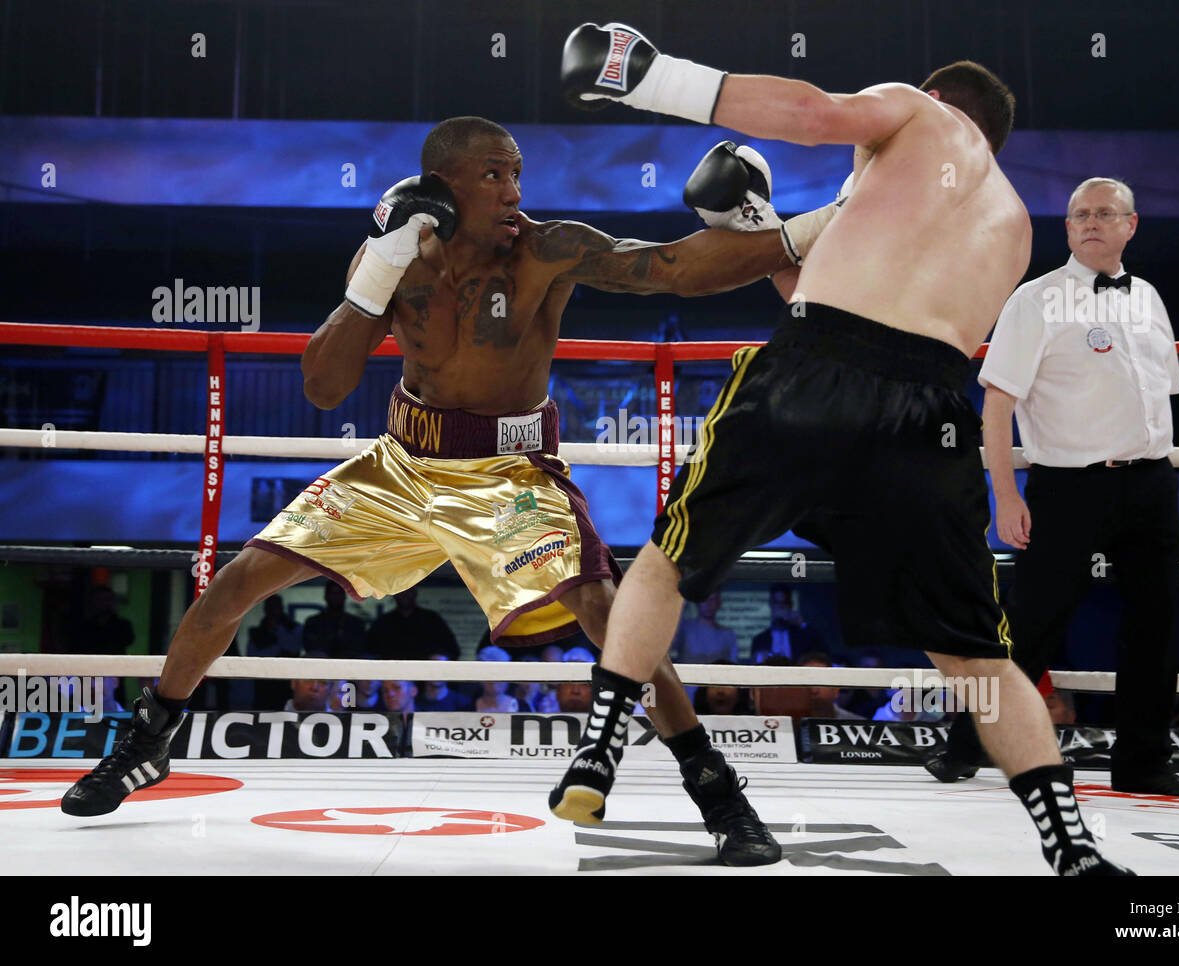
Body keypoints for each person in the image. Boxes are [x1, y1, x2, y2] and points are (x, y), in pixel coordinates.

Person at [63, 114, 842, 864]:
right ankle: (149, 741)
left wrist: (813, 225)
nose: (512, 191)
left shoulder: (548, 248)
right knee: (234, 581)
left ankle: (719, 793)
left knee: (607, 615)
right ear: (444, 184)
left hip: (511, 475)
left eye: (517, 174)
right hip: (402, 464)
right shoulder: (402, 256)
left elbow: (674, 267)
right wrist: (377, 268)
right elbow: (325, 388)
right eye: (493, 175)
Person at [550, 22, 1131, 874]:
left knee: (671, 559)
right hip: (929, 418)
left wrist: (648, 76)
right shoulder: (1012, 227)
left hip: (811, 379)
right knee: (975, 657)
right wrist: (765, 225)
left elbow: (812, 115)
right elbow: (852, 288)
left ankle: (598, 748)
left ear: (933, 103)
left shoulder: (915, 114)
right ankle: (1070, 847)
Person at [926, 176, 1179, 798]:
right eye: (1079, 214)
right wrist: (1006, 494)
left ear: (1130, 225)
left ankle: (1142, 761)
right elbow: (996, 406)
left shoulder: (1150, 299)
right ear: (1067, 229)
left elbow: (1159, 396)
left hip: (1151, 483)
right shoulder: (1035, 300)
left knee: (1156, 622)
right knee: (1030, 624)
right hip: (1067, 485)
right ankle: (965, 743)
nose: (1090, 222)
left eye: (1104, 213)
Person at [750, 585, 821, 663]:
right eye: (777, 603)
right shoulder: (760, 640)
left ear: (791, 605)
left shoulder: (804, 636)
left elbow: (820, 655)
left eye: (785, 603)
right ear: (771, 604)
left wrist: (802, 624)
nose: (781, 607)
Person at [302, 581, 368, 659]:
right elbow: (310, 646)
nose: (336, 597)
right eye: (333, 593)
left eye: (339, 593)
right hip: (322, 663)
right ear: (326, 596)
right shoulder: (313, 622)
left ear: (344, 597)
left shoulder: (356, 623)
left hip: (349, 662)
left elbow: (360, 646)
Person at [669, 591, 736, 664]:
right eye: (704, 599)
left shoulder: (728, 634)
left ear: (719, 603)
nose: (708, 604)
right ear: (698, 602)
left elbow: (734, 665)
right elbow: (668, 648)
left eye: (712, 600)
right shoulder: (685, 629)